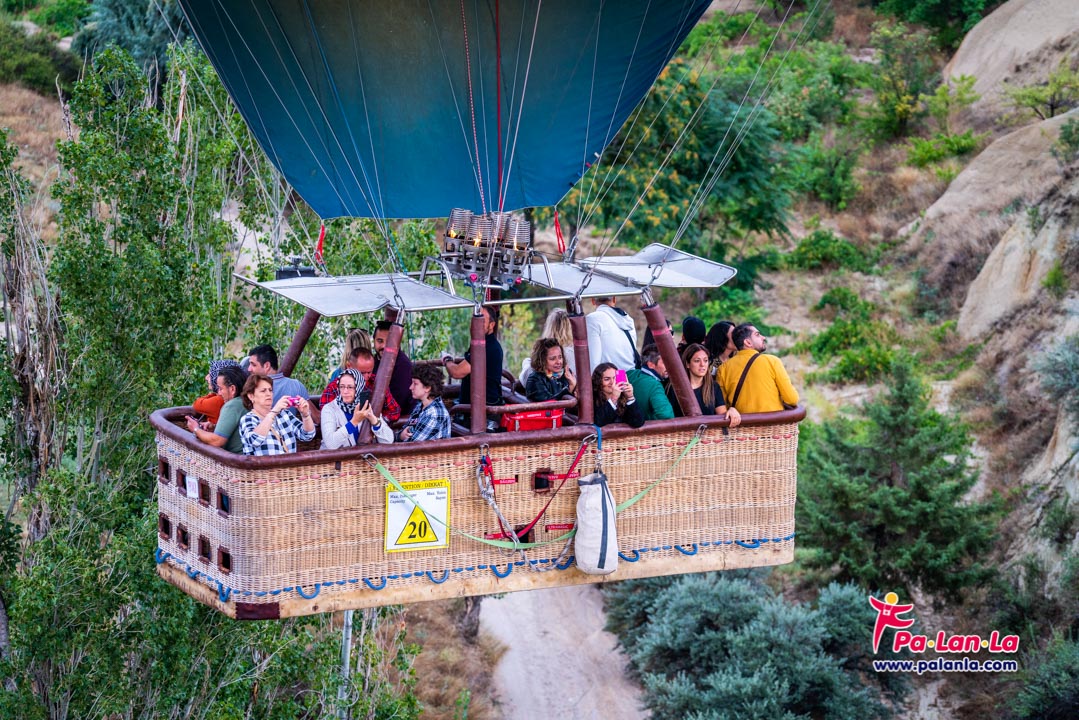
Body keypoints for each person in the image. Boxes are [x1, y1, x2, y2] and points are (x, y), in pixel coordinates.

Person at [719, 324, 800, 414]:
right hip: (773, 425)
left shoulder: (723, 368)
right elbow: (792, 399)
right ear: (748, 342)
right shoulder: (772, 361)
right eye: (757, 335)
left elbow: (722, 406)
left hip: (741, 426)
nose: (763, 337)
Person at [444, 305, 504, 419]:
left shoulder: (488, 347)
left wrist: (447, 360)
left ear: (492, 325)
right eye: (475, 319)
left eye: (482, 320)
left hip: (483, 413)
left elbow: (457, 372)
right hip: (474, 410)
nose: (476, 324)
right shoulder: (482, 344)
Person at [239, 373, 316, 455]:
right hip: (263, 468)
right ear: (251, 396)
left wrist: (306, 415)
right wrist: (274, 412)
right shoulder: (248, 419)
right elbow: (255, 441)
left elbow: (307, 435)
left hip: (289, 467)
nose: (268, 393)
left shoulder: (284, 414)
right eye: (263, 391)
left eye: (270, 390)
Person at [667, 343, 741, 426]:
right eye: (697, 361)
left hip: (708, 436)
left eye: (705, 360)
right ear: (687, 364)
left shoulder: (713, 386)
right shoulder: (675, 388)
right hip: (681, 436)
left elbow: (722, 415)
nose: (702, 364)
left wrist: (731, 410)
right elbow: (668, 418)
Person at [320, 369, 393, 448]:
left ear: (359, 387)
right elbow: (331, 444)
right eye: (342, 387)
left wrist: (374, 420)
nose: (345, 391)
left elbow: (388, 441)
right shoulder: (329, 409)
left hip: (361, 459)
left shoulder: (365, 406)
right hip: (333, 459)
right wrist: (354, 421)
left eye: (350, 387)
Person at [187, 364, 247, 453]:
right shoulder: (245, 400)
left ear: (232, 389)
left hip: (237, 461)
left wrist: (196, 429)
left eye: (220, 388)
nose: (218, 393)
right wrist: (214, 427)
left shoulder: (232, 406)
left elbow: (217, 441)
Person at [522, 308, 576, 386]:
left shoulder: (563, 354)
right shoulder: (575, 353)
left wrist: (526, 363)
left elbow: (527, 379)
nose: (558, 361)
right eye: (553, 358)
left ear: (549, 327)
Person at [398, 363, 450, 442]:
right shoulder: (421, 406)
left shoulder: (435, 414)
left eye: (415, 384)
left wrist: (400, 436)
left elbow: (411, 445)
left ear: (427, 388)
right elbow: (404, 431)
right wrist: (400, 436)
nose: (410, 387)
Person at [586, 296, 640, 372]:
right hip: (629, 373)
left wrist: (593, 381)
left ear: (593, 301)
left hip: (611, 377)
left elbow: (594, 360)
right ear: (614, 299)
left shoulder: (592, 319)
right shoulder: (627, 318)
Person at [374, 320, 415, 416]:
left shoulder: (403, 365)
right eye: (380, 341)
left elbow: (399, 402)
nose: (383, 346)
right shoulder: (372, 361)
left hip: (399, 420)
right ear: (374, 341)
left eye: (388, 341)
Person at [626, 344, 674, 420]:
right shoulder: (655, 386)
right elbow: (666, 415)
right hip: (645, 430)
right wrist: (650, 419)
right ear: (651, 365)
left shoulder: (630, 374)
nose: (670, 366)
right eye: (665, 362)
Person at [592, 363, 644, 428]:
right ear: (598, 381)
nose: (612, 382)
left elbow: (638, 423)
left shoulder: (623, 399)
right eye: (607, 379)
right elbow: (599, 422)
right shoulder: (592, 399)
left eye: (615, 378)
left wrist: (630, 397)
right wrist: (613, 398)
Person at [525, 338, 577, 402]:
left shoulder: (566, 374)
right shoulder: (535, 379)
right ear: (542, 360)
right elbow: (549, 405)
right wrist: (571, 387)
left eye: (560, 357)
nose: (558, 362)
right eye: (552, 359)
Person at [192, 359, 240, 425]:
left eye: (210, 374)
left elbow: (197, 404)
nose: (206, 377)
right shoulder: (235, 397)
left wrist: (213, 393)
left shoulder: (219, 400)